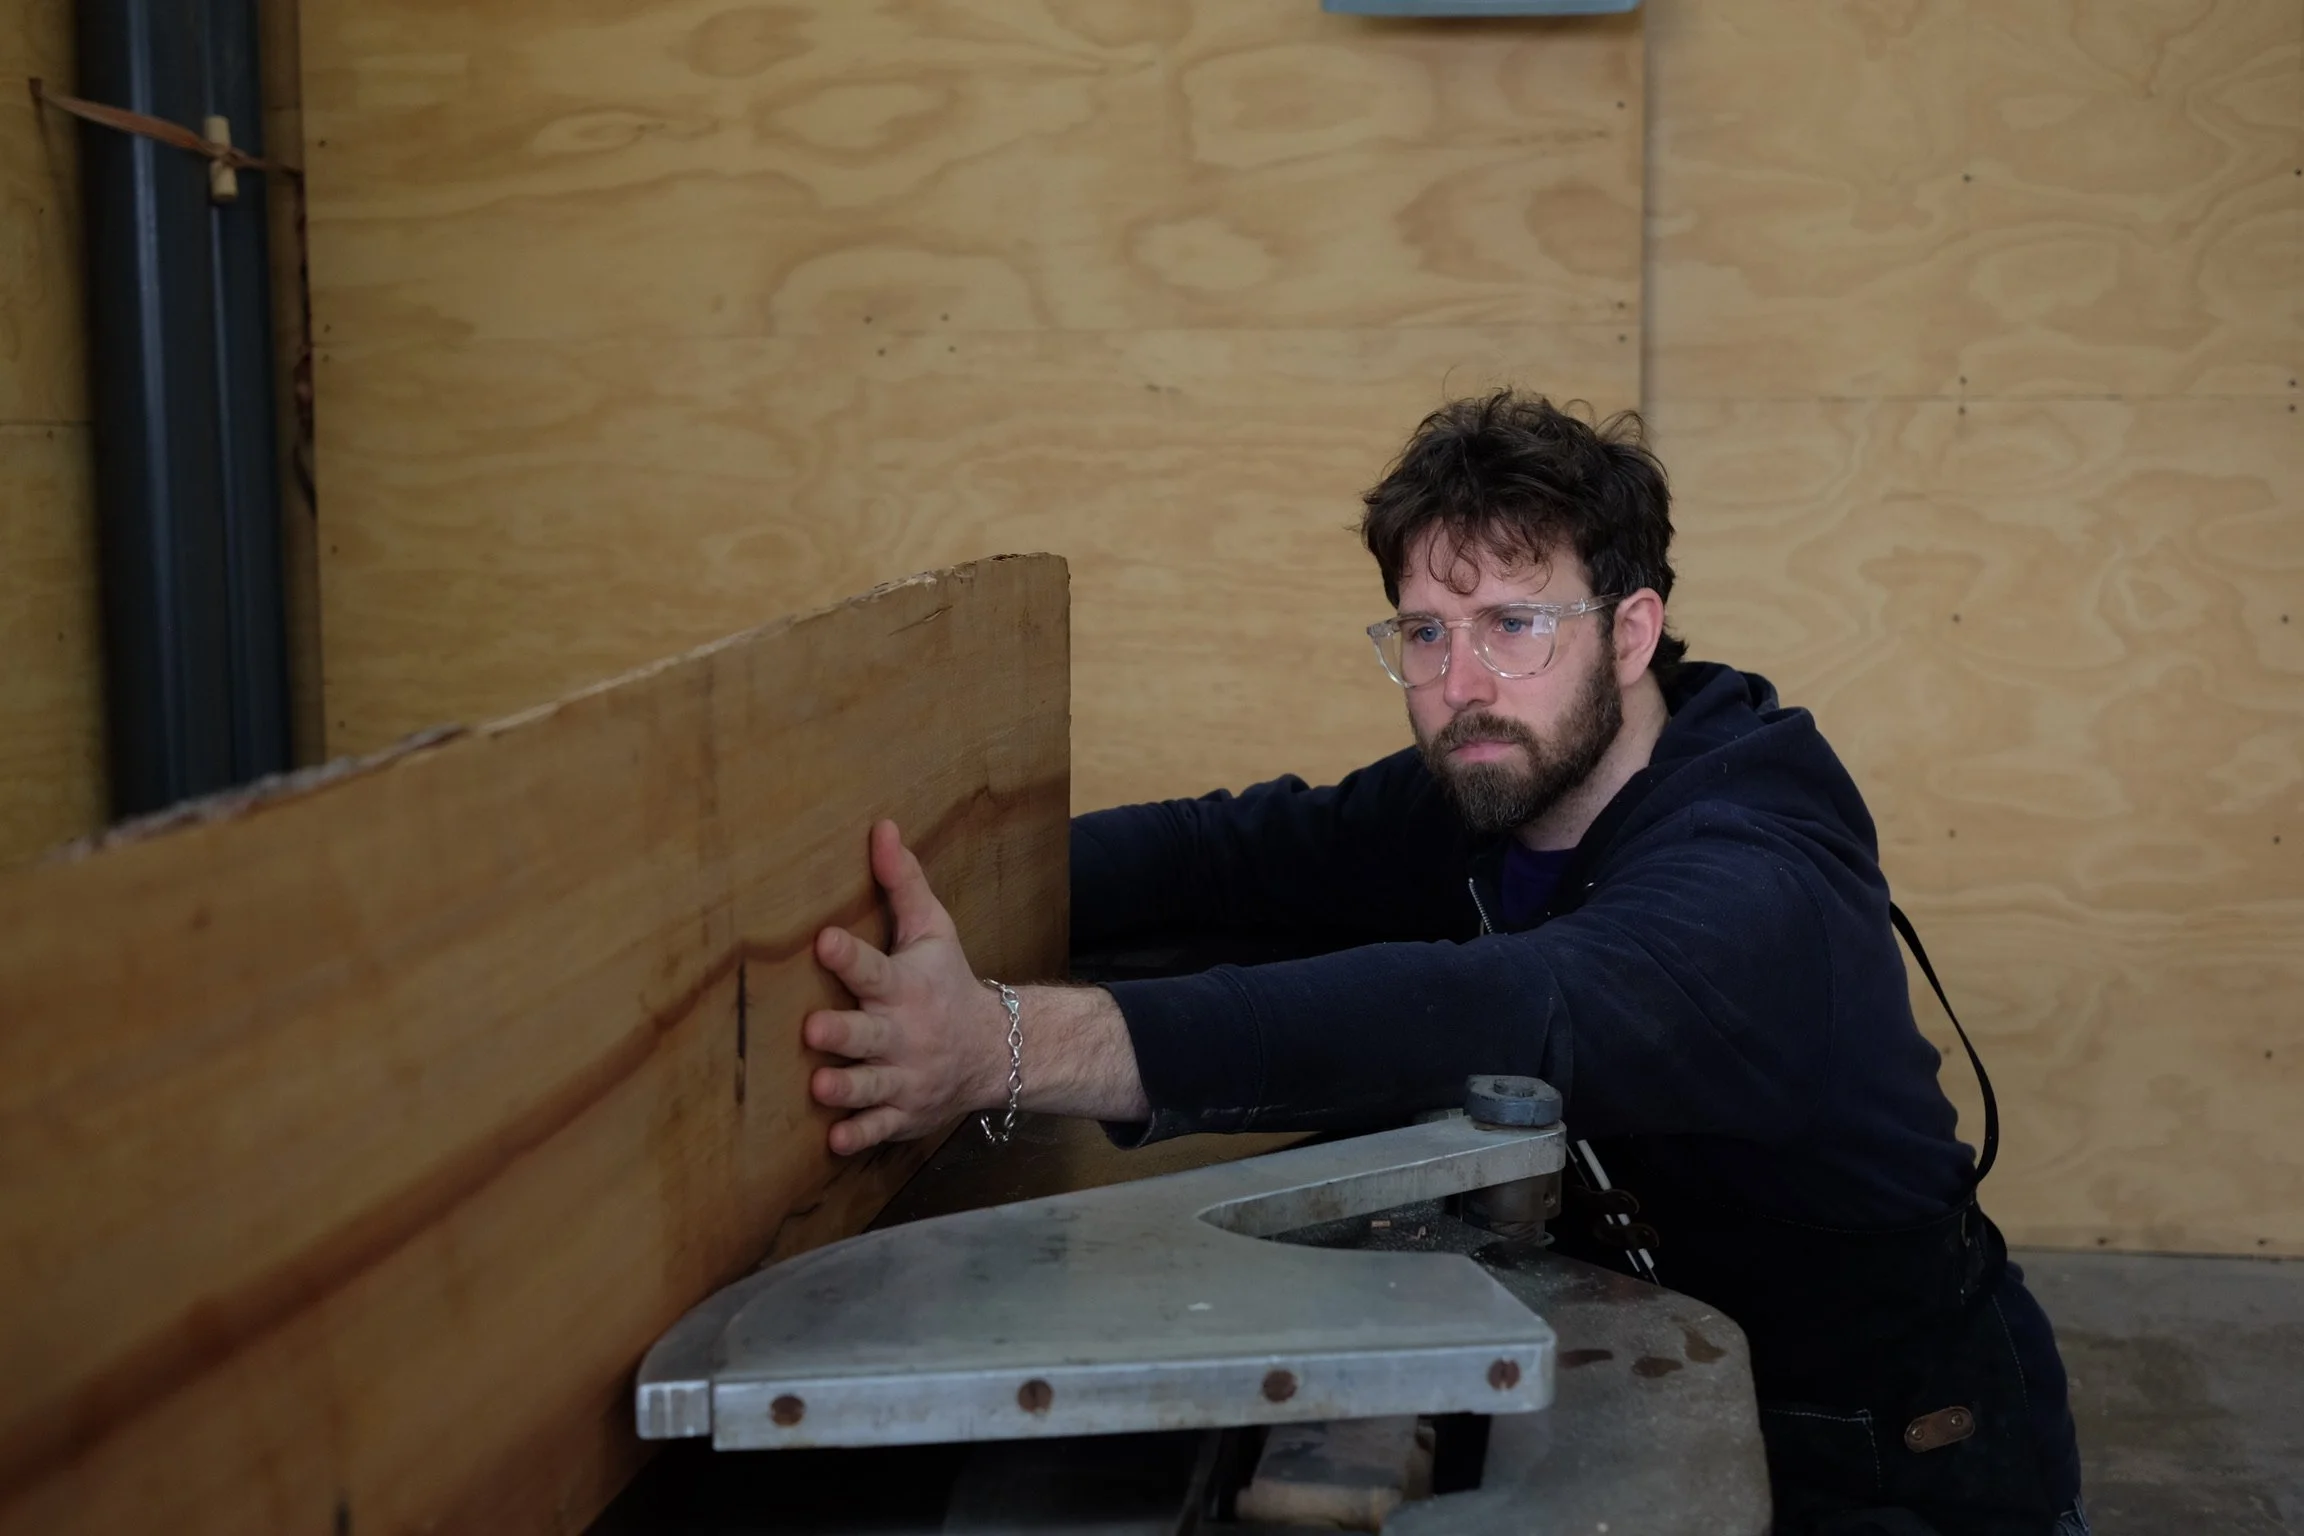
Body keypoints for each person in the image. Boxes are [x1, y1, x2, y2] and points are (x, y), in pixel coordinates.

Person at [800, 391, 2086, 1536]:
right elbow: (1235, 851)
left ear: (1633, 634)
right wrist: (921, 889)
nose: (1461, 683)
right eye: (1423, 634)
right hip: (1645, 1357)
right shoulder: (1502, 776)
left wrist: (1007, 1045)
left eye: (1514, 623)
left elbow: (1499, 1009)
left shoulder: (1751, 875)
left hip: (1888, 1453)